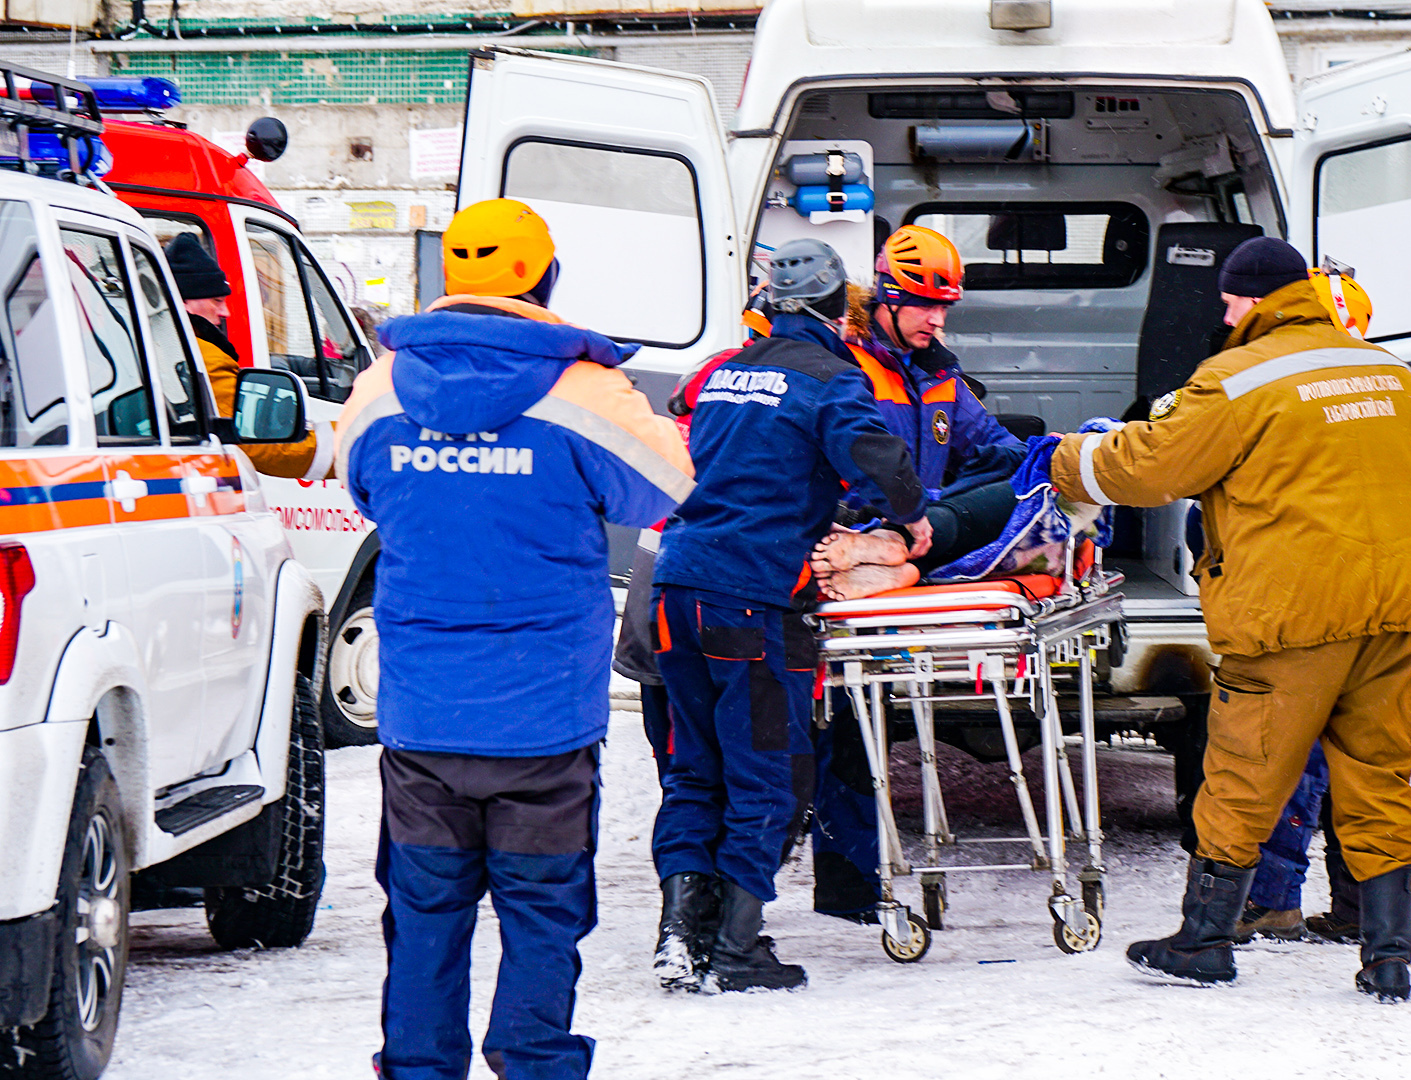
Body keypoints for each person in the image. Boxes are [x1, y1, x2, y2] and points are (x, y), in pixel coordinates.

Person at [336, 198, 693, 1078]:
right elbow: (667, 489)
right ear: (542, 277)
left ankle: (419, 1069)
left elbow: (359, 489)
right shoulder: (582, 390)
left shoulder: (381, 387)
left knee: (424, 914)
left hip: (422, 716)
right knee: (542, 911)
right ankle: (534, 1062)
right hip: (542, 719)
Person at [1050, 236, 1411, 1000]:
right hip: (1393, 609)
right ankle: (1389, 954)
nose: (1222, 313)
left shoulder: (1236, 379)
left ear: (1254, 299)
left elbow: (1153, 470)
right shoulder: (1390, 373)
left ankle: (1204, 939)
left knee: (1241, 776)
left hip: (1291, 614)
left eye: (1228, 299)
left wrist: (1065, 457)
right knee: (1379, 778)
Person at [649, 238, 931, 993]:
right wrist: (911, 513)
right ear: (839, 309)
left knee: (693, 770)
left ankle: (680, 936)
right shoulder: (829, 378)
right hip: (753, 601)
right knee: (764, 776)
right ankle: (739, 951)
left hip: (677, 590)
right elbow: (883, 466)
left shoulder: (726, 373)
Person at [1234, 271, 1411, 946]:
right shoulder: (1365, 382)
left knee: (1295, 760)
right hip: (1383, 607)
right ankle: (1368, 914)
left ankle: (1274, 901)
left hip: (1313, 606)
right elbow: (1405, 439)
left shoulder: (1287, 381)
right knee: (1362, 763)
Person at [808, 226, 1026, 598]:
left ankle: (899, 560)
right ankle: (888, 547)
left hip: (928, 522)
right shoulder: (845, 366)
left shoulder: (940, 376)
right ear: (889, 298)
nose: (938, 321)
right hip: (861, 520)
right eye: (926, 305)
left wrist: (1036, 456)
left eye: (943, 307)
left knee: (1031, 479)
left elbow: (996, 444)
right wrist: (908, 510)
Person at [166, 233, 332, 480]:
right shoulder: (201, 358)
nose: (226, 312)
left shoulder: (159, 346)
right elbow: (257, 442)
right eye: (217, 300)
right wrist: (354, 440)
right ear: (183, 302)